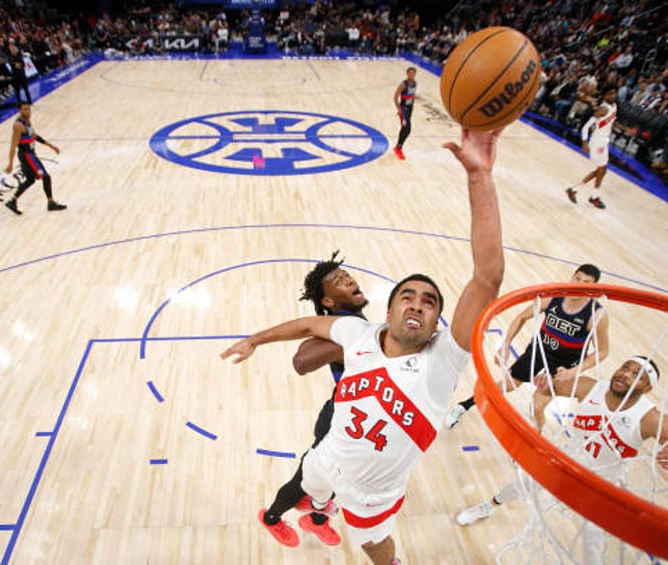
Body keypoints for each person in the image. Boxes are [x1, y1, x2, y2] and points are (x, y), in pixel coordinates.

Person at [221, 127, 505, 565]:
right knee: (311, 482)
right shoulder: (357, 332)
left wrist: (480, 177)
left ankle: (334, 521)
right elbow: (304, 326)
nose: (417, 304)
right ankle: (310, 510)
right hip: (327, 457)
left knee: (375, 545)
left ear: (436, 325)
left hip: (373, 493)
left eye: (429, 302)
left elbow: (486, 277)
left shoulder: (443, 361)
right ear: (388, 311)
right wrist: (256, 339)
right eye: (407, 296)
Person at [454, 357, 668, 563]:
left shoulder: (651, 419)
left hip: (603, 485)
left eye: (637, 375)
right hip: (569, 460)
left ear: (647, 388)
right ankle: (488, 507)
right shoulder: (590, 387)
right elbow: (548, 387)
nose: (625, 374)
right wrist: (543, 383)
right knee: (521, 481)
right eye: (625, 367)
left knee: (593, 545)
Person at [259, 251, 369, 548]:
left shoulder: (355, 318)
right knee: (305, 479)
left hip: (358, 415)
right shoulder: (340, 326)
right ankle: (271, 518)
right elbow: (302, 360)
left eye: (347, 276)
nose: (348, 280)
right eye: (338, 281)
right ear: (328, 302)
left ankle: (315, 520)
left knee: (338, 474)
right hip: (338, 416)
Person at [446, 263, 609, 428]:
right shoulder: (553, 298)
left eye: (586, 282)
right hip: (539, 351)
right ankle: (463, 406)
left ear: (593, 288)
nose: (578, 284)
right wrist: (506, 343)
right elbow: (521, 317)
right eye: (577, 278)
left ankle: (536, 438)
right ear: (572, 277)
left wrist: (574, 371)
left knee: (536, 407)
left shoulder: (596, 315)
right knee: (506, 385)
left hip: (565, 365)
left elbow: (602, 351)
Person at [4, 102, 67, 215]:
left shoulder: (27, 121)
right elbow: (13, 145)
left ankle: (12, 201)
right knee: (46, 177)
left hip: (30, 154)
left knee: (30, 180)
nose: (27, 111)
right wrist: (10, 164)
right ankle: (51, 203)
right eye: (25, 109)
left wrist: (51, 146)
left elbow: (34, 136)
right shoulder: (18, 125)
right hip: (27, 155)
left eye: (29, 109)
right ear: (19, 110)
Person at [565, 86, 618, 209]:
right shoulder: (603, 109)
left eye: (614, 93)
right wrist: (585, 142)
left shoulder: (614, 106)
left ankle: (575, 190)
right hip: (597, 142)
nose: (613, 96)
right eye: (610, 94)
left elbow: (612, 122)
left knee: (602, 171)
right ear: (604, 96)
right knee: (601, 170)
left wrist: (626, 129)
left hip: (604, 141)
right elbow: (586, 127)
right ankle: (593, 197)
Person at [392, 67, 417, 161]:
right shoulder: (403, 84)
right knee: (407, 129)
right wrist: (399, 109)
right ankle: (398, 148)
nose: (412, 75)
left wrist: (412, 106)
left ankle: (398, 147)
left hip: (409, 109)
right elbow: (395, 97)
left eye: (413, 73)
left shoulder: (415, 83)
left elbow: (413, 96)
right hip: (403, 109)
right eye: (410, 73)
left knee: (405, 128)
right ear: (407, 74)